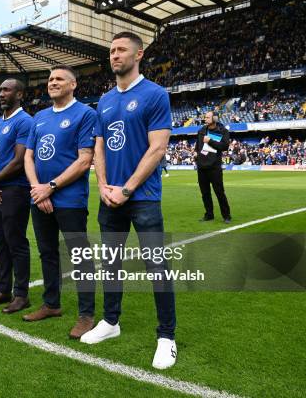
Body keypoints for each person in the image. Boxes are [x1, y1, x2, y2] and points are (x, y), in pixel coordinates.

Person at [81, 32, 177, 370]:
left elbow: (158, 149)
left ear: (138, 55)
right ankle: (110, 322)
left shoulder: (154, 94)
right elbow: (100, 147)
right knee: (110, 263)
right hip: (110, 196)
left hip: (144, 197)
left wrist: (127, 188)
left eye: (121, 50)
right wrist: (105, 184)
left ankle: (166, 336)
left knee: (156, 266)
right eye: (111, 51)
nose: (114, 55)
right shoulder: (105, 100)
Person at [22, 64, 97, 341]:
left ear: (73, 84)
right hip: (39, 196)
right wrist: (36, 189)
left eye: (59, 79)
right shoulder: (39, 117)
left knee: (79, 256)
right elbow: (28, 157)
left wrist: (50, 187)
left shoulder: (85, 114)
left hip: (69, 199)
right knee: (47, 253)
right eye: (50, 79)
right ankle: (51, 304)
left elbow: (84, 159)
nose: (52, 82)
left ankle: (86, 314)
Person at [0, 79, 32, 313]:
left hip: (14, 190)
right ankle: (3, 290)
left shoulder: (24, 121)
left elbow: (19, 161)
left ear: (19, 94)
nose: (1, 93)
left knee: (16, 242)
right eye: (0, 89)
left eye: (6, 89)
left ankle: (21, 294)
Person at [195, 111, 232, 223]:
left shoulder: (223, 131)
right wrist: (196, 153)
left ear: (215, 118)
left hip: (214, 167)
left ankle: (226, 216)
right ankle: (209, 214)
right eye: (205, 117)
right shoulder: (201, 130)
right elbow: (198, 145)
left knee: (219, 192)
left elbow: (224, 146)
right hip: (202, 167)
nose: (205, 119)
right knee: (205, 193)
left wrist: (210, 141)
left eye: (207, 117)